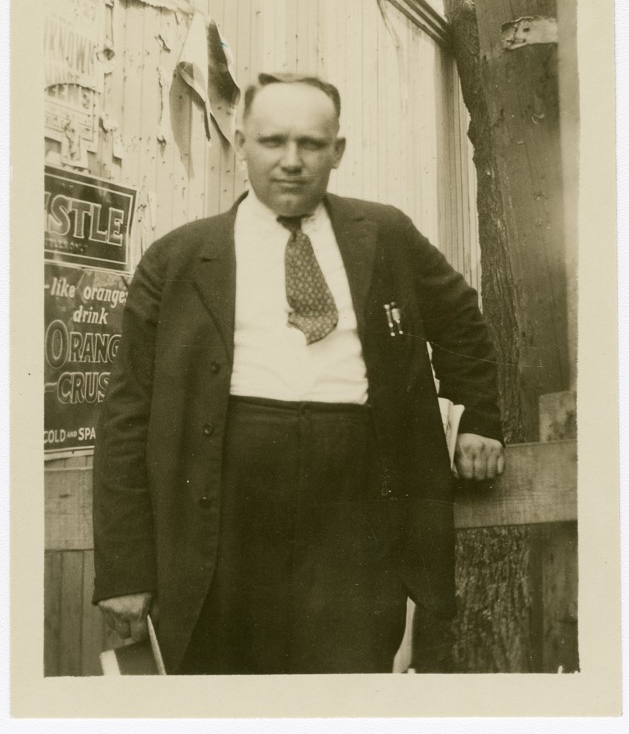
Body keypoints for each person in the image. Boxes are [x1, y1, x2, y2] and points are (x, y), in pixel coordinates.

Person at [93, 72, 505, 674]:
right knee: (221, 686)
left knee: (344, 683)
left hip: (356, 511)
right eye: (272, 141)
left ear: (338, 150)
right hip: (221, 509)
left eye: (311, 144)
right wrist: (126, 569)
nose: (291, 161)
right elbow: (127, 414)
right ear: (241, 144)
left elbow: (462, 321)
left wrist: (479, 419)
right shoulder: (178, 258)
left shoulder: (384, 234)